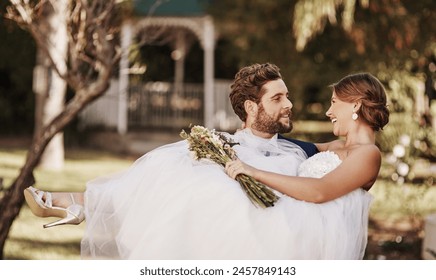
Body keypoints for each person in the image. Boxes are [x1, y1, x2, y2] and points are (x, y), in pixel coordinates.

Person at [24, 63, 389, 260]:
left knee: (210, 190)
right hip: (286, 206)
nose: (327, 111)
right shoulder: (334, 149)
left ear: (356, 105)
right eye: (280, 97)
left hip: (300, 228)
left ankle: (82, 204)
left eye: (335, 103)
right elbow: (297, 147)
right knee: (182, 166)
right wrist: (227, 144)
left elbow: (322, 190)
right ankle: (82, 202)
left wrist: (251, 170)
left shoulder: (367, 155)